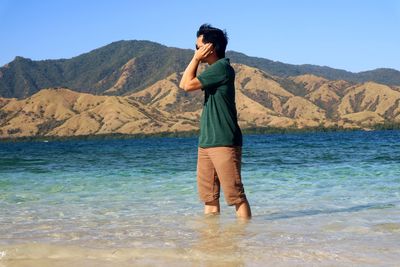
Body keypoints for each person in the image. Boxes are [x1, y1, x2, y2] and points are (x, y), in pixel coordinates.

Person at [179, 24, 251, 219]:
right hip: (207, 142)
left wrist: (195, 58)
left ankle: (245, 243)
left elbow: (186, 84)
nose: (195, 51)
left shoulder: (221, 68)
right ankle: (212, 243)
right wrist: (196, 57)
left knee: (236, 197)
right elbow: (184, 83)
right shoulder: (214, 70)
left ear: (209, 48)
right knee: (209, 199)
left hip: (224, 141)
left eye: (198, 47)